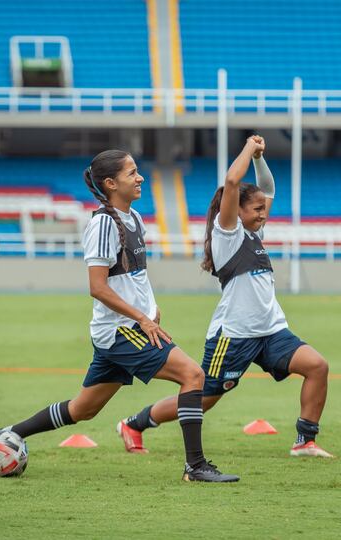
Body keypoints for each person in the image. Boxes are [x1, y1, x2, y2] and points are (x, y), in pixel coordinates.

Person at [0, 150, 239, 483]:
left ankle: (6, 435)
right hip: (121, 330)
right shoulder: (103, 224)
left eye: (138, 171)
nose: (140, 177)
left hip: (126, 328)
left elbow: (132, 277)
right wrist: (142, 318)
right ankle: (195, 467)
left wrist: (152, 310)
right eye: (132, 173)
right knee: (193, 375)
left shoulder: (135, 219)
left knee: (83, 409)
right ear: (111, 183)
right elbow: (97, 287)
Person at [117, 136, 333, 459]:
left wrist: (260, 159)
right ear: (237, 210)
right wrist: (249, 147)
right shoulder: (227, 233)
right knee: (202, 398)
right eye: (257, 209)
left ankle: (305, 441)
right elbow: (233, 181)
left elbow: (269, 190)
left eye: (263, 209)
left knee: (317, 366)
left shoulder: (254, 231)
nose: (264, 214)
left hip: (271, 330)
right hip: (233, 336)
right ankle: (134, 423)